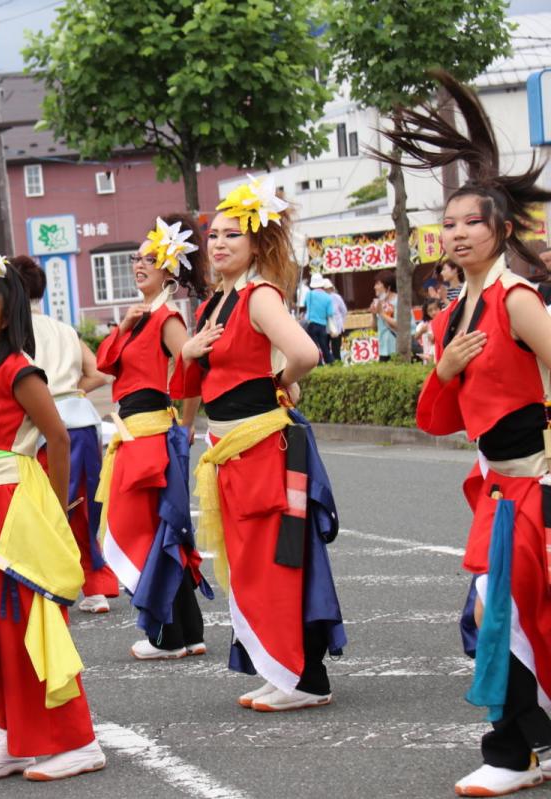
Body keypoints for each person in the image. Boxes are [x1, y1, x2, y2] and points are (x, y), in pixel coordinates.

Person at [380, 70, 551, 797]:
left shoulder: (513, 297)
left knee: (502, 613)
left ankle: (511, 752)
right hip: (495, 487)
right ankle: (521, 746)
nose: (454, 233)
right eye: (446, 224)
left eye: (469, 223)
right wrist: (444, 367)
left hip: (533, 483)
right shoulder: (456, 310)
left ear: (500, 229)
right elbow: (435, 420)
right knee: (506, 614)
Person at [176, 175, 345, 713]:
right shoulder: (212, 306)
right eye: (213, 235)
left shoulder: (258, 295)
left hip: (263, 447)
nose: (219, 243)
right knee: (249, 564)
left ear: (257, 244)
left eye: (232, 235)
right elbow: (192, 385)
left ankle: (303, 675)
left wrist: (281, 380)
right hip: (230, 450)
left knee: (277, 562)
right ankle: (281, 668)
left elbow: (306, 353)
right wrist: (189, 353)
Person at [0, 254, 106, 783]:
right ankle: (15, 738)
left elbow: (57, 438)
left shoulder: (17, 369)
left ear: (6, 316)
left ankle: (79, 741)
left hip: (14, 509)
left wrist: (55, 512)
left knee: (29, 625)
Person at [95, 216, 211, 659]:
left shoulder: (164, 316)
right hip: (137, 435)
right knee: (164, 531)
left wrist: (186, 424)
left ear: (168, 267)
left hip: (149, 437)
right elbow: (106, 364)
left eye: (148, 259)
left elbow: (190, 364)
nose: (138, 265)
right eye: (135, 258)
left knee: (145, 532)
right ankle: (188, 632)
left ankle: (167, 636)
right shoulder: (143, 316)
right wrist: (124, 325)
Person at [11, 254, 117, 614]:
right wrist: (74, 389)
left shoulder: (13, 332)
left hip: (43, 426)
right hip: (83, 421)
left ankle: (51, 582)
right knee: (86, 505)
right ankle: (96, 587)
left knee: (48, 506)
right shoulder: (63, 328)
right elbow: (99, 372)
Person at [303, 273, 334, 364]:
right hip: (322, 325)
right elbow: (330, 313)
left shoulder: (309, 295)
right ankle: (330, 362)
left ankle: (318, 363)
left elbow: (305, 305)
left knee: (314, 346)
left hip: (311, 323)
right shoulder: (328, 297)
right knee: (324, 346)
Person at [371, 271, 400, 362]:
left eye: (378, 284)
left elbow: (399, 325)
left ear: (388, 286)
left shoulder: (398, 301)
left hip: (396, 347)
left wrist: (381, 313)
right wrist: (373, 315)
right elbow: (375, 328)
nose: (374, 287)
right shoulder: (379, 302)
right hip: (383, 349)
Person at [325, 279, 348, 363]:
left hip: (336, 327)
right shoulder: (323, 298)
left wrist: (341, 322)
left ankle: (337, 365)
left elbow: (344, 311)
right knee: (327, 349)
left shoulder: (336, 297)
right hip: (326, 327)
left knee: (336, 349)